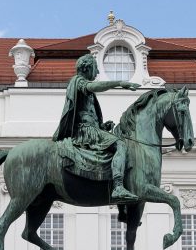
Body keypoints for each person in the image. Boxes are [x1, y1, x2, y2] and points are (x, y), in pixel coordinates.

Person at [53, 53, 142, 202]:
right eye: (96, 68)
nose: (98, 72)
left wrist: (101, 126)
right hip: (85, 131)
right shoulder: (78, 81)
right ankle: (118, 186)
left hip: (92, 129)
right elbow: (93, 87)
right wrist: (120, 82)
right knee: (120, 144)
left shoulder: (82, 86)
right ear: (87, 68)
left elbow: (85, 112)